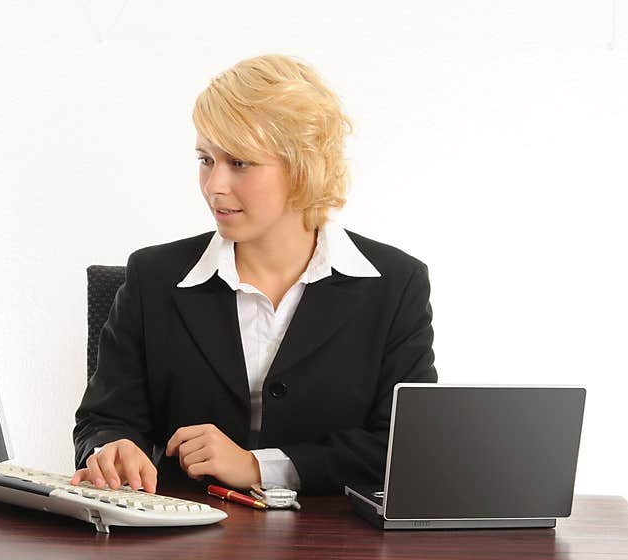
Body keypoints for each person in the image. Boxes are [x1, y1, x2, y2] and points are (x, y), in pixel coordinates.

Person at [71, 54, 436, 495]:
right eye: (206, 159)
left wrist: (259, 467)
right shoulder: (153, 277)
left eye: (239, 163)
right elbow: (104, 420)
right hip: (182, 548)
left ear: (304, 166)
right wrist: (111, 448)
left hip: (334, 553)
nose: (214, 186)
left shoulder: (396, 285)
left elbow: (400, 449)